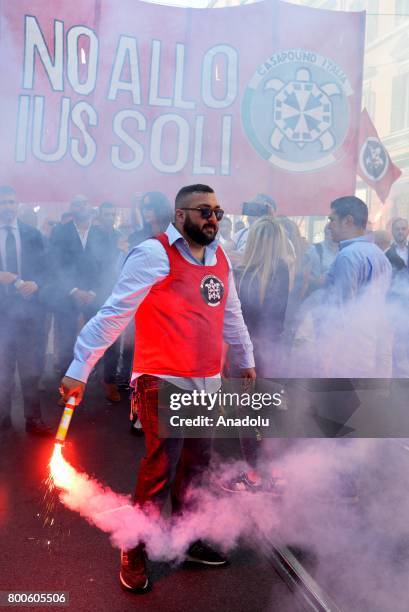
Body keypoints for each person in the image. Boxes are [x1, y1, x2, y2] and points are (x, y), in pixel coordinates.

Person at [59, 184, 256, 593]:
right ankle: (135, 545)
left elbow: (231, 312)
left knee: (197, 465)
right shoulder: (153, 253)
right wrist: (80, 366)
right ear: (180, 215)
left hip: (207, 380)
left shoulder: (219, 256)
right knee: (160, 468)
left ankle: (187, 537)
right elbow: (114, 313)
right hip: (161, 378)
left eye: (218, 211)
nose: (213, 219)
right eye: (204, 211)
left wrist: (245, 358)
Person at [223, 217, 290, 493]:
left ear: (254, 242)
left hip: (248, 355)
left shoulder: (245, 274)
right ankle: (274, 472)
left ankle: (254, 476)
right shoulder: (283, 270)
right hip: (273, 352)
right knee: (268, 413)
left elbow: (235, 322)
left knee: (248, 416)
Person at [0, 185, 51, 435]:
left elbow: (46, 269)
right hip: (1, 315)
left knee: (31, 370)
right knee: (2, 370)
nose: (8, 207)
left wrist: (37, 283)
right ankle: (3, 417)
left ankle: (34, 419)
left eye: (12, 202)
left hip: (29, 314)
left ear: (17, 205)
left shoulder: (31, 233)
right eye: (3, 203)